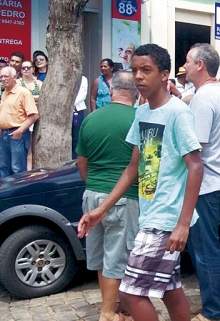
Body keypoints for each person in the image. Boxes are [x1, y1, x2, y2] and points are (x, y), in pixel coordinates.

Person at [77, 43, 204, 321]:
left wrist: (182, 224)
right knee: (170, 288)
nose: (138, 77)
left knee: (131, 292)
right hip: (149, 212)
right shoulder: (142, 113)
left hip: (166, 218)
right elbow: (133, 168)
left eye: (146, 70)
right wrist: (102, 209)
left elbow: (195, 167)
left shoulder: (177, 113)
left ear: (164, 75)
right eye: (134, 70)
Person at [76, 71, 139, 321]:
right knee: (119, 256)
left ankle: (114, 307)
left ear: (111, 90)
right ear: (136, 93)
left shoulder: (91, 119)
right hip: (125, 197)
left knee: (103, 257)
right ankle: (108, 312)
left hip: (92, 194)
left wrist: (93, 184)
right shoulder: (139, 118)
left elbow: (82, 161)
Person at [184, 43, 220, 321]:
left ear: (200, 65)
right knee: (207, 249)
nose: (184, 67)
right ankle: (212, 302)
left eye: (187, 62)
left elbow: (197, 147)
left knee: (205, 251)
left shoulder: (205, 98)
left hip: (206, 184)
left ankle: (215, 311)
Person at [0, 67, 38, 177]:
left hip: (17, 134)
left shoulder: (23, 93)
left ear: (15, 77)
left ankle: (18, 194)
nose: (3, 79)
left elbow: (34, 115)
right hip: (4, 134)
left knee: (17, 169)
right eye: (1, 77)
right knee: (3, 167)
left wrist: (19, 131)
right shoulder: (5, 93)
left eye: (6, 76)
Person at [72, 75, 88, 159]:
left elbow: (83, 94)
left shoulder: (82, 78)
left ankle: (75, 158)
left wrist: (70, 104)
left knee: (76, 136)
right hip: (64, 110)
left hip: (77, 108)